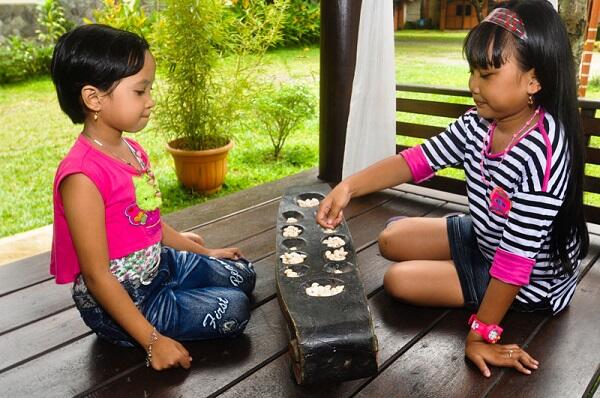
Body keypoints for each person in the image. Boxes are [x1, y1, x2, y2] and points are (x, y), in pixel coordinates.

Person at [317, 0, 588, 378]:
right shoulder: (480, 122)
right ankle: (457, 267)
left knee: (398, 280)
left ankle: (462, 277)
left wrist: (482, 335)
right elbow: (416, 160)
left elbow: (514, 262)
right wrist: (349, 187)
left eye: (488, 74)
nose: (473, 85)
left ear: (534, 79)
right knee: (391, 238)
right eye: (472, 71)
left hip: (525, 282)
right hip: (488, 238)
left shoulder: (543, 154)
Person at [49, 24, 256, 371]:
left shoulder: (131, 149)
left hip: (157, 265)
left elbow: (148, 222)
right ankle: (147, 325)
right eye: (140, 91)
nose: (151, 101)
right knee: (235, 310)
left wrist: (203, 252)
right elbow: (98, 276)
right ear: (94, 99)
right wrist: (153, 341)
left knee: (243, 274)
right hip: (123, 300)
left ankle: (181, 291)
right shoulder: (82, 177)